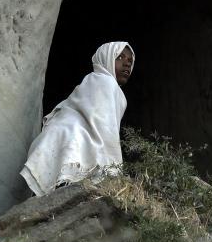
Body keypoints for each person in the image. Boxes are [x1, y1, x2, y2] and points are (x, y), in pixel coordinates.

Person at [20, 42, 135, 196]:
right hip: (71, 139)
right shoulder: (105, 82)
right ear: (106, 58)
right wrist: (115, 172)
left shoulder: (100, 82)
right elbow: (105, 131)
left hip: (58, 139)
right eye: (120, 57)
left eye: (130, 61)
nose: (127, 63)